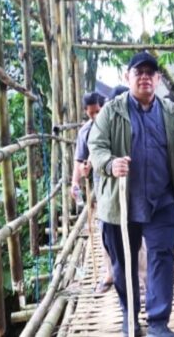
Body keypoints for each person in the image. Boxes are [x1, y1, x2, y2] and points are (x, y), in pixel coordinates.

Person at [88, 51, 174, 337]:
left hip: (162, 201)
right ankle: (130, 318)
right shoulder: (112, 110)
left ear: (158, 79)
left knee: (162, 258)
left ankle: (158, 323)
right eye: (139, 72)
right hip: (122, 204)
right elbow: (95, 148)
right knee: (125, 265)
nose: (145, 77)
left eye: (150, 73)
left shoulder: (171, 113)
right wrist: (111, 163)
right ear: (128, 77)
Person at [71, 91, 114, 294]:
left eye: (98, 112)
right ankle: (109, 273)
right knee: (104, 230)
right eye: (90, 114)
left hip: (123, 184)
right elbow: (80, 161)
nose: (95, 117)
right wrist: (77, 180)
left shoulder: (117, 125)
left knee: (134, 230)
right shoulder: (85, 132)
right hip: (100, 188)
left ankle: (142, 277)